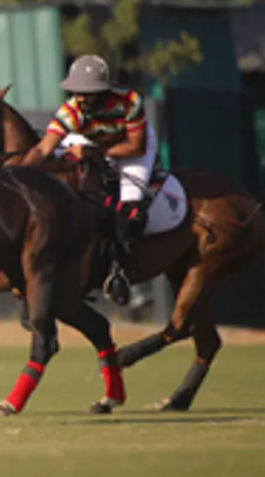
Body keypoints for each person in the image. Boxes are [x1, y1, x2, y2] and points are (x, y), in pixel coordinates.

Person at [21, 54, 162, 303]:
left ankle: (121, 273)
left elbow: (136, 147)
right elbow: (42, 149)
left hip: (131, 146)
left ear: (104, 90)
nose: (82, 97)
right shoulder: (71, 111)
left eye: (89, 92)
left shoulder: (129, 101)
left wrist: (95, 153)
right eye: (77, 91)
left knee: (130, 209)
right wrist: (18, 174)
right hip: (93, 139)